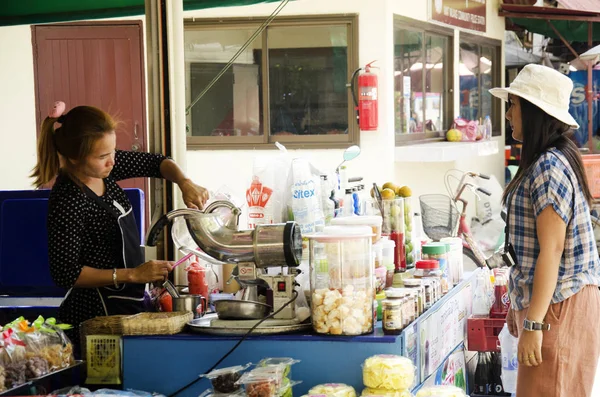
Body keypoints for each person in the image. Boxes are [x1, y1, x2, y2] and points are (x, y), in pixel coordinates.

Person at [31, 101, 209, 352]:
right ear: (74, 157)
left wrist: (184, 181)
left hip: (126, 305)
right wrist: (134, 274)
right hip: (94, 318)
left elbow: (158, 163)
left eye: (113, 151)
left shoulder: (104, 170)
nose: (112, 161)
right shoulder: (69, 199)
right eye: (103, 156)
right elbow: (65, 273)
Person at [490, 64, 600, 396]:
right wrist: (520, 306)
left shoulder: (549, 166)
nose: (508, 114)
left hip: (560, 305)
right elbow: (536, 251)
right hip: (559, 301)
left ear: (534, 111)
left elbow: (551, 252)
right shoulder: (549, 159)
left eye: (513, 105)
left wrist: (534, 323)